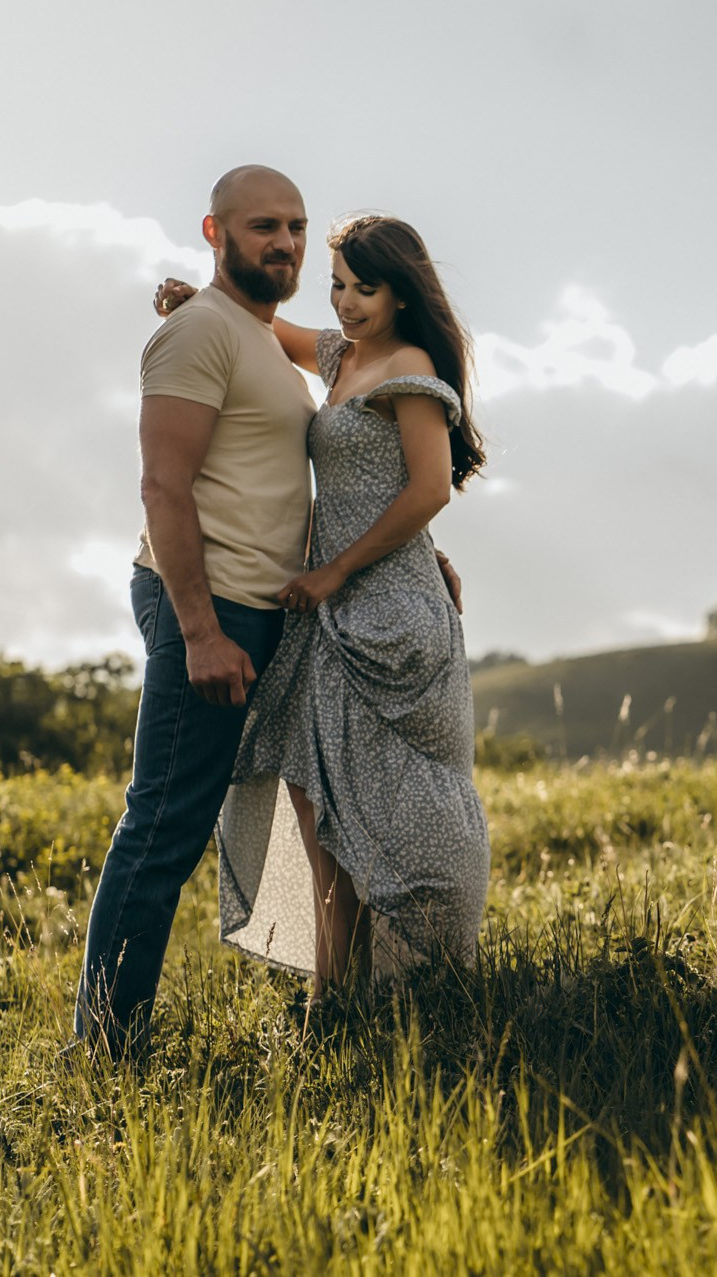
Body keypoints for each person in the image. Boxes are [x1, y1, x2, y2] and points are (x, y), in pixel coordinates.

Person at [75, 166, 456, 1057]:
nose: (284, 243)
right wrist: (200, 630)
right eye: (262, 227)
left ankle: (346, 997)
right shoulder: (200, 334)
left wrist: (414, 553)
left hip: (270, 610)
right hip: (212, 608)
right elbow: (163, 487)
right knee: (163, 823)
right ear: (216, 234)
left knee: (285, 807)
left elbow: (308, 484)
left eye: (295, 226)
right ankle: (103, 1047)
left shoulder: (260, 340)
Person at [156, 215, 490, 997]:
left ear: (404, 293)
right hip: (324, 613)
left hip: (386, 611)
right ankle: (331, 995)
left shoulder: (408, 367)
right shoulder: (344, 355)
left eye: (364, 288)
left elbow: (430, 487)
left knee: (388, 799)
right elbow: (265, 333)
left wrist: (336, 569)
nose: (344, 301)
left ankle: (403, 984)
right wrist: (195, 302)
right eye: (337, 283)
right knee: (317, 800)